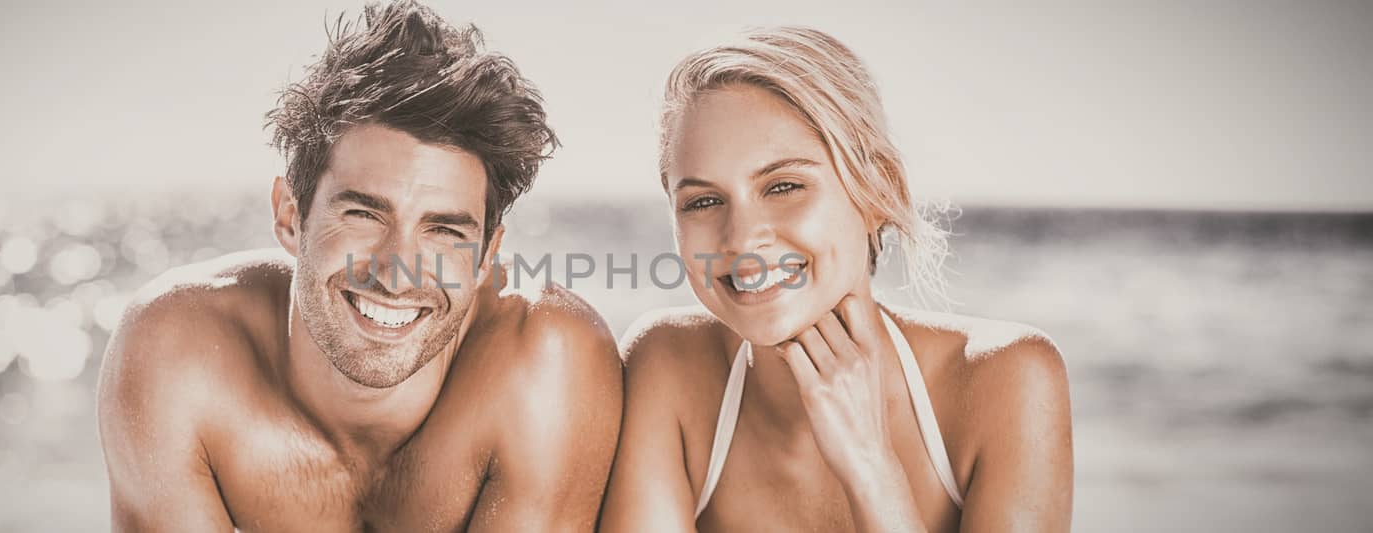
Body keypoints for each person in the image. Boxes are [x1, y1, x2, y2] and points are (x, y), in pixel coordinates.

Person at [96, 2, 622, 531]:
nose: (397, 273)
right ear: (289, 217)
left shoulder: (545, 360)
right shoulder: (177, 348)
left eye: (443, 230)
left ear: (487, 256)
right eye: (364, 214)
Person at [599, 27, 1073, 532]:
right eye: (703, 201)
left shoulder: (1004, 379)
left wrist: (871, 469)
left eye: (783, 186)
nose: (739, 238)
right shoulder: (668, 365)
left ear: (877, 190)